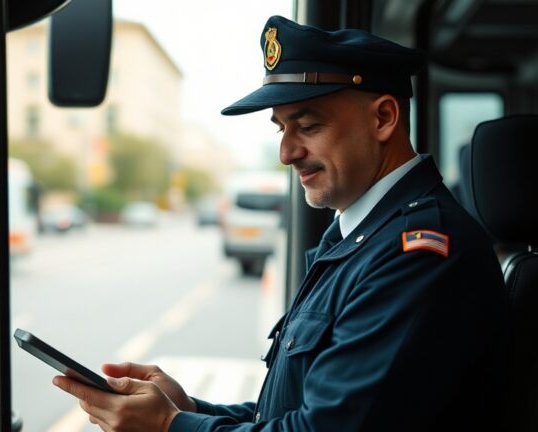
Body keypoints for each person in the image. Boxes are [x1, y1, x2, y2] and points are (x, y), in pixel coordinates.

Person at [52, 15, 508, 431]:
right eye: (281, 129)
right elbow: (299, 413)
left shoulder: (418, 254)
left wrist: (169, 428)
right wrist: (186, 410)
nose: (286, 153)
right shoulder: (360, 235)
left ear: (384, 118)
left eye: (306, 126)